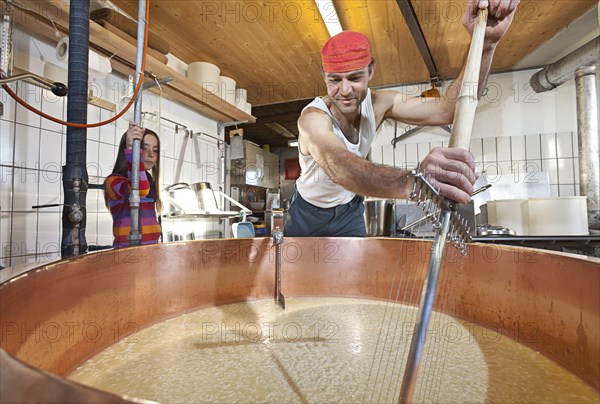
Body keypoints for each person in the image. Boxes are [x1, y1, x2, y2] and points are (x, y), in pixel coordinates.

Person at [284, 0, 518, 237]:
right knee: (300, 273)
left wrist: (486, 45)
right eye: (335, 80)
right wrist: (416, 183)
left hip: (349, 210)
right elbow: (339, 166)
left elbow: (447, 110)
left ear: (371, 71)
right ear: (324, 76)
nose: (345, 90)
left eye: (355, 78)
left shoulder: (380, 104)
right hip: (307, 213)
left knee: (352, 273)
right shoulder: (313, 118)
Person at [104, 123, 162, 248]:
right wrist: (131, 148)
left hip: (150, 254)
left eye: (155, 150)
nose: (151, 154)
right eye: (144, 148)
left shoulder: (149, 182)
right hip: (128, 256)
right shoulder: (113, 181)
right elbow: (139, 189)